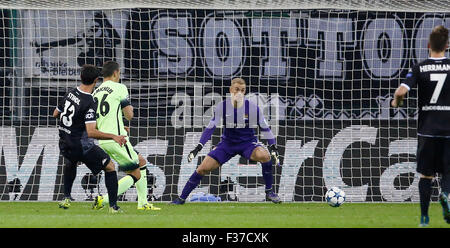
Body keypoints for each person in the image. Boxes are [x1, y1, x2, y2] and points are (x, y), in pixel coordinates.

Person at [171, 77, 281, 205]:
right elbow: (210, 128)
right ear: (231, 90)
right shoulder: (222, 107)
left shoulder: (252, 108)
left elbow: (265, 127)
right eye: (237, 89)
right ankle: (181, 198)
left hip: (248, 144)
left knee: (265, 156)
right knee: (202, 169)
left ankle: (269, 192)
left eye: (242, 90)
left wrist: (273, 146)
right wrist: (198, 147)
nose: (239, 93)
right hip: (227, 145)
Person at [391, 25, 450, 227]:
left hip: (427, 131)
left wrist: (396, 102)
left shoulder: (419, 67)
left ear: (428, 46)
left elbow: (400, 93)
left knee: (427, 174)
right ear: (447, 46)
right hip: (449, 129)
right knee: (448, 172)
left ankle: (424, 219)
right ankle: (446, 195)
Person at [54, 64, 126, 213]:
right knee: (110, 167)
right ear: (96, 80)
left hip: (65, 142)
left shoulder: (70, 93)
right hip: (81, 146)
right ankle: (113, 207)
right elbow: (91, 132)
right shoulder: (90, 101)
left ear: (81, 77)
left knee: (71, 162)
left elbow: (55, 113)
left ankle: (66, 198)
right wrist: (114, 136)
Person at [92, 61, 160, 211]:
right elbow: (129, 115)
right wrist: (130, 112)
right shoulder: (120, 87)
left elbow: (98, 120)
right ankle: (104, 200)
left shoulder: (96, 92)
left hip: (104, 139)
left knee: (141, 161)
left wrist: (120, 125)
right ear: (116, 73)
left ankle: (142, 203)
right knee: (135, 173)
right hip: (118, 139)